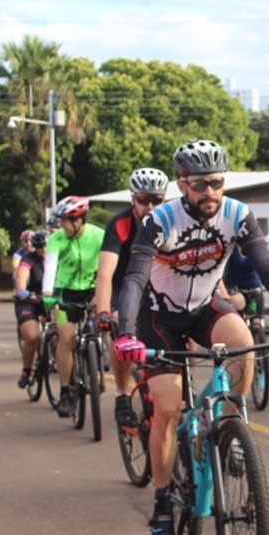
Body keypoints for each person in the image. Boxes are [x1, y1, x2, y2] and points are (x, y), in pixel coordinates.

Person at [114, 138, 269, 535]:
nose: (210, 193)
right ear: (182, 184)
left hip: (206, 306)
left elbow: (266, 267)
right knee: (168, 409)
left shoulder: (237, 214)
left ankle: (229, 430)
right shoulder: (158, 221)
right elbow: (133, 279)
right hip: (158, 317)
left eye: (217, 183)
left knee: (243, 345)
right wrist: (126, 332)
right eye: (201, 184)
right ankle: (162, 502)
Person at [94, 167, 169, 427]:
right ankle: (123, 392)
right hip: (122, 286)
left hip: (158, 286)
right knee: (119, 326)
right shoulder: (119, 224)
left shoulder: (172, 221)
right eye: (143, 200)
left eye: (157, 200)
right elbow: (104, 274)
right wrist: (104, 312)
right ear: (132, 199)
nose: (150, 206)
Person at [41, 196, 106, 419]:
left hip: (92, 288)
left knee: (104, 319)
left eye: (64, 221)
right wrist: (47, 294)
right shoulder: (56, 239)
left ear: (78, 220)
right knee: (67, 337)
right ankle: (66, 391)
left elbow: (108, 265)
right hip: (64, 291)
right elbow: (50, 268)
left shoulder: (99, 236)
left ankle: (101, 349)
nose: (60, 225)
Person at [13, 230, 49, 388]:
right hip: (29, 300)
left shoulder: (60, 258)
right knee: (32, 336)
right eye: (40, 246)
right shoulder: (28, 259)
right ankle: (26, 371)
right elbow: (21, 275)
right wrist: (22, 290)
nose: (44, 249)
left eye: (47, 245)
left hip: (50, 300)